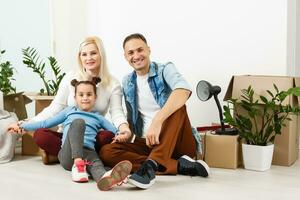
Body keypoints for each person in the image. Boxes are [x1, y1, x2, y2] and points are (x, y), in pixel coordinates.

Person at [99, 33, 210, 189]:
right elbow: (132, 118)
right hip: (148, 143)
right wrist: (126, 133)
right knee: (106, 152)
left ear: (149, 50)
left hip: (178, 142)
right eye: (131, 53)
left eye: (140, 50)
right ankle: (178, 166)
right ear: (125, 57)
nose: (136, 56)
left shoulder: (165, 69)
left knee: (178, 106)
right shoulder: (127, 82)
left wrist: (157, 121)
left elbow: (183, 90)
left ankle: (150, 168)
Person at [10, 36, 131, 164]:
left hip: (91, 137)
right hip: (66, 136)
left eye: (93, 53)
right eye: (84, 54)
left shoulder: (112, 84)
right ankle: (83, 157)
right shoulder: (71, 77)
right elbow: (55, 107)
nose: (88, 58)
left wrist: (124, 129)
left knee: (107, 137)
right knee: (40, 135)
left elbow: (117, 112)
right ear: (80, 57)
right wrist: (26, 124)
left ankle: (62, 156)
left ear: (101, 55)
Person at [8, 78, 132, 191]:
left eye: (89, 94)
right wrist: (22, 125)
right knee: (78, 123)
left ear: (95, 97)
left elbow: (114, 130)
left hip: (88, 151)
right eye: (81, 95)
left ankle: (105, 178)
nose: (85, 98)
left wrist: (120, 134)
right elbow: (45, 123)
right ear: (75, 97)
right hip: (68, 155)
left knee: (97, 165)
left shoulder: (98, 117)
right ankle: (78, 165)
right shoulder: (69, 111)